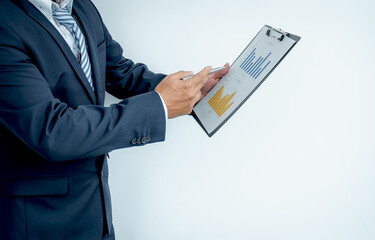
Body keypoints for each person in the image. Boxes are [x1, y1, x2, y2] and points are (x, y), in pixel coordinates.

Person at [0, 0, 229, 239]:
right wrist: (159, 105)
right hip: (40, 221)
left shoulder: (82, 6)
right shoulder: (5, 22)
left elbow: (119, 71)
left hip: (96, 213)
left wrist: (190, 90)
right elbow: (52, 130)